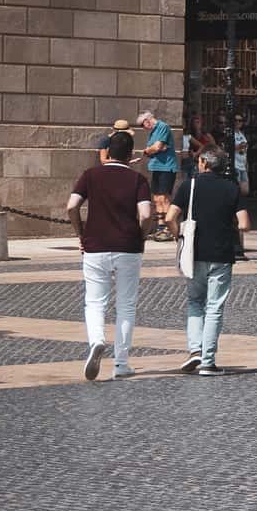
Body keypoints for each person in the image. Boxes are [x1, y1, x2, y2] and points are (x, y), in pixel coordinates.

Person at [66, 127, 153, 380]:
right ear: (130, 155)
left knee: (94, 302)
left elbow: (72, 206)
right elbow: (146, 214)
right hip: (128, 245)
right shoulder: (138, 180)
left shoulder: (90, 175)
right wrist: (142, 235)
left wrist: (79, 232)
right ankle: (121, 363)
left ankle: (96, 341)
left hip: (95, 245)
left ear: (107, 152)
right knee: (126, 305)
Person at [166, 142, 250, 371]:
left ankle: (195, 350)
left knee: (195, 302)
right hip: (221, 254)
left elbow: (169, 217)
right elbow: (244, 224)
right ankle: (208, 361)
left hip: (194, 252)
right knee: (214, 307)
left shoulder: (188, 185)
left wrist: (179, 238)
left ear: (203, 163)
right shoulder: (232, 188)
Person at [137, 109, 178, 208]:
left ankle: (167, 222)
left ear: (147, 121)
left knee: (163, 198)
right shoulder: (153, 132)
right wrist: (150, 150)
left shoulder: (162, 126)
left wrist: (150, 150)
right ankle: (161, 223)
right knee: (156, 198)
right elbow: (152, 149)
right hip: (157, 167)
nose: (144, 128)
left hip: (166, 167)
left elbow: (156, 147)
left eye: (143, 125)